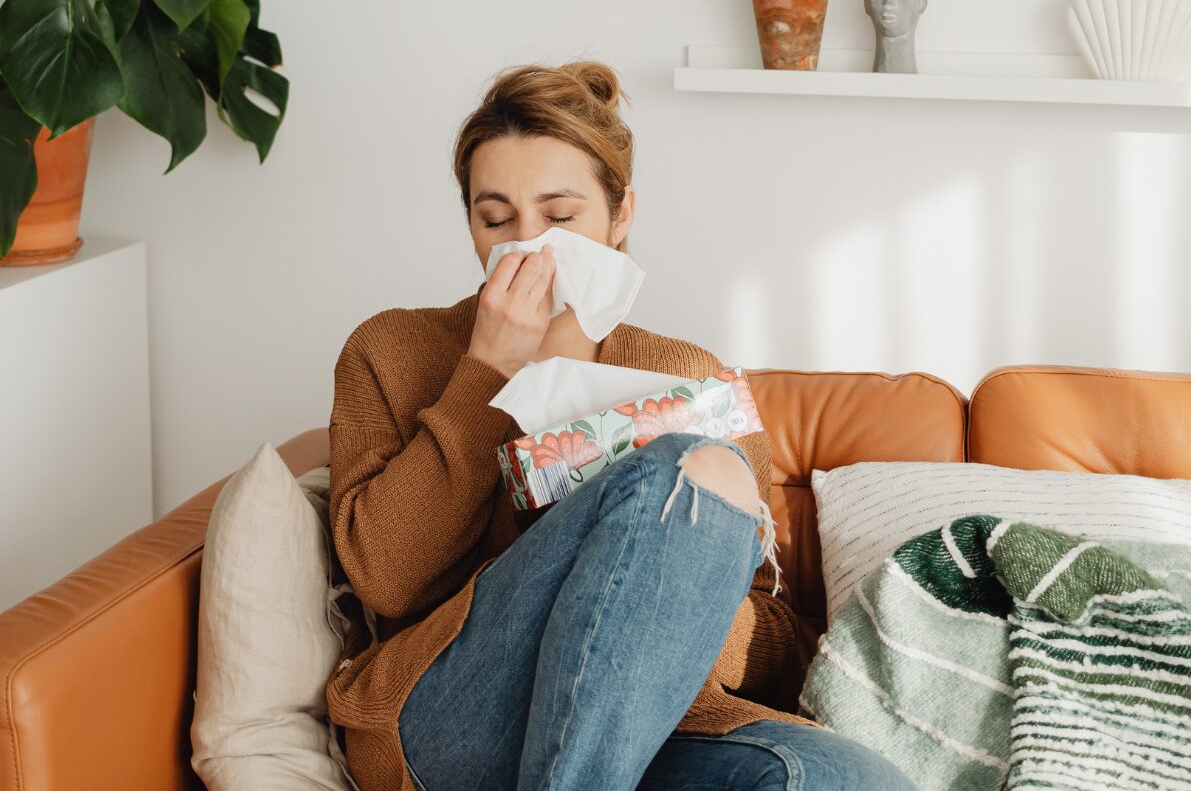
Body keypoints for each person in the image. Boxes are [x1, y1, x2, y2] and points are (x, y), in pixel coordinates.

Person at [325, 59, 916, 791]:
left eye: (561, 216)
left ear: (620, 216)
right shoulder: (388, 349)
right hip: (450, 716)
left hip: (651, 724)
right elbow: (386, 580)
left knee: (849, 780)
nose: (529, 243)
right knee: (687, 470)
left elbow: (771, 638)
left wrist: (657, 586)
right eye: (496, 217)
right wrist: (488, 372)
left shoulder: (689, 380)